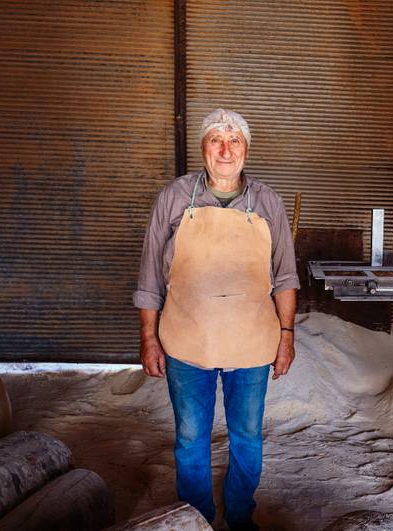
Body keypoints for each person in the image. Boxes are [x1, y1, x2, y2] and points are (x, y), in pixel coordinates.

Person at [133, 108, 300, 530]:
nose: (226, 150)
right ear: (203, 147)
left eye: (235, 141)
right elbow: (151, 273)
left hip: (251, 343)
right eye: (216, 140)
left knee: (246, 437)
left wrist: (286, 336)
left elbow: (285, 277)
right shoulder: (174, 198)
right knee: (191, 438)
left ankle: (240, 514)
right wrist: (149, 337)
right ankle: (197, 518)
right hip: (188, 341)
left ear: (246, 149)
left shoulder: (267, 201)